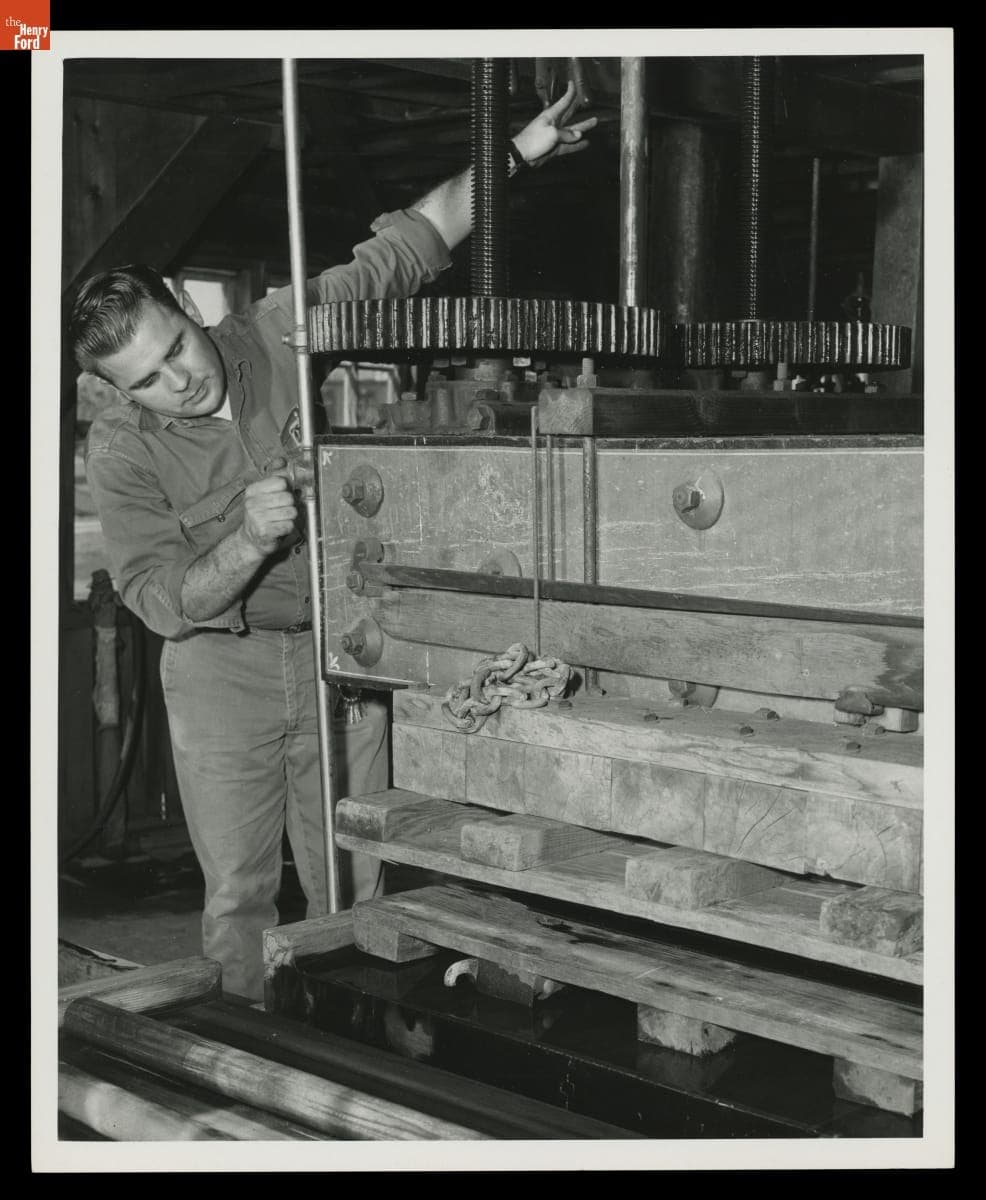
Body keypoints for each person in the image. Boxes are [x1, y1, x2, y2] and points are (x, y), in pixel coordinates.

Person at [70, 83, 597, 1002]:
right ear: (120, 389)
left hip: (337, 649)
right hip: (217, 671)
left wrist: (519, 151)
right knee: (238, 893)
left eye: (178, 350)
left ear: (190, 312)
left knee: (355, 870)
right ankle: (257, 1044)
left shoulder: (281, 330)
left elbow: (410, 245)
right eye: (146, 381)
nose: (177, 383)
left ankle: (354, 1025)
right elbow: (161, 602)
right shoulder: (121, 449)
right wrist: (248, 540)